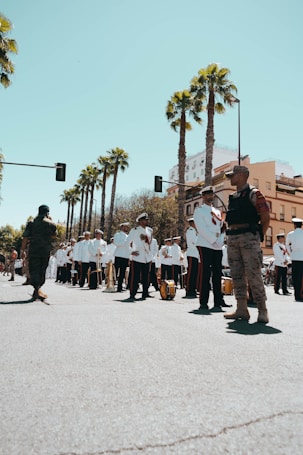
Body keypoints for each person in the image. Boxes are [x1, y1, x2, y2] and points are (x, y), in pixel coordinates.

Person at [223, 165, 270, 323]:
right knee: (237, 275)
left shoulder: (254, 193)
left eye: (233, 175)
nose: (231, 178)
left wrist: (258, 235)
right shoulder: (232, 196)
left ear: (242, 175)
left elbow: (265, 217)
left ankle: (262, 310)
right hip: (233, 239)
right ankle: (241, 309)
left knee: (254, 274)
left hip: (249, 237)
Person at [194, 186, 229, 310]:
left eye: (212, 194)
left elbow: (222, 227)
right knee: (205, 273)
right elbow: (201, 228)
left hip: (218, 245)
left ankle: (219, 301)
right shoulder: (199, 211)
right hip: (205, 243)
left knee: (217, 273)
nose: (210, 196)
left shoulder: (217, 212)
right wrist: (213, 240)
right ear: (203, 197)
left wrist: (220, 240)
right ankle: (203, 302)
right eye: (207, 194)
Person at [20, 204, 57, 301]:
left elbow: (25, 237)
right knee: (42, 270)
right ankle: (37, 289)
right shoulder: (51, 224)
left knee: (34, 270)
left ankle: (36, 289)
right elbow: (54, 236)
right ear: (47, 213)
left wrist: (22, 250)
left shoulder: (31, 223)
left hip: (34, 250)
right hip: (45, 250)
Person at [125, 212, 152, 302]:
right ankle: (133, 293)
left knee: (146, 276)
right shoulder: (135, 230)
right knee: (135, 277)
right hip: (138, 255)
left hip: (146, 256)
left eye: (147, 219)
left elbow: (149, 244)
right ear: (140, 221)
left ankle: (145, 293)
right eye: (145, 220)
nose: (146, 221)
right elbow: (127, 242)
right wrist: (131, 251)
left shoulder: (149, 230)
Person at [286, 218, 303, 302]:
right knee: (301, 277)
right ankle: (300, 293)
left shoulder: (290, 234)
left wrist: (290, 254)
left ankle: (296, 294)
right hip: (302, 257)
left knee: (295, 276)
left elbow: (287, 245)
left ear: (295, 225)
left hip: (294, 257)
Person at [114, 222, 131, 292]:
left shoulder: (128, 236)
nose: (126, 228)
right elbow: (116, 243)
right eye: (125, 227)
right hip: (119, 255)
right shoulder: (118, 234)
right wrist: (125, 243)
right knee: (116, 271)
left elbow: (129, 247)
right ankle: (113, 284)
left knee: (122, 273)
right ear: (122, 227)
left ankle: (120, 287)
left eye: (127, 227)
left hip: (125, 256)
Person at [184, 217, 199, 298]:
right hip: (192, 253)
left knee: (194, 273)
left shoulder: (194, 231)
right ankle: (189, 289)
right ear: (192, 223)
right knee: (191, 273)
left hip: (195, 254)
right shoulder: (190, 231)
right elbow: (195, 242)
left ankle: (193, 289)